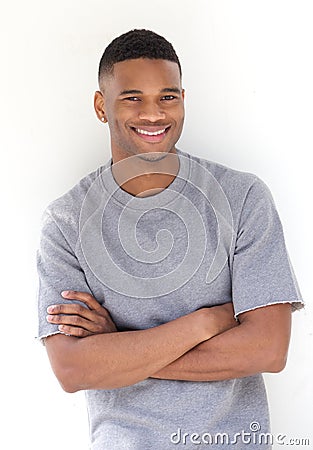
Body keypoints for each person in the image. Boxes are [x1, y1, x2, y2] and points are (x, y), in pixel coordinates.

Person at [37, 29, 304, 449]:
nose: (154, 114)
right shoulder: (67, 221)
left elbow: (267, 349)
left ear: (183, 99)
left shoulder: (242, 197)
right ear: (101, 106)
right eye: (132, 98)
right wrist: (207, 322)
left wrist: (117, 349)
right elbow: (72, 370)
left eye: (167, 96)